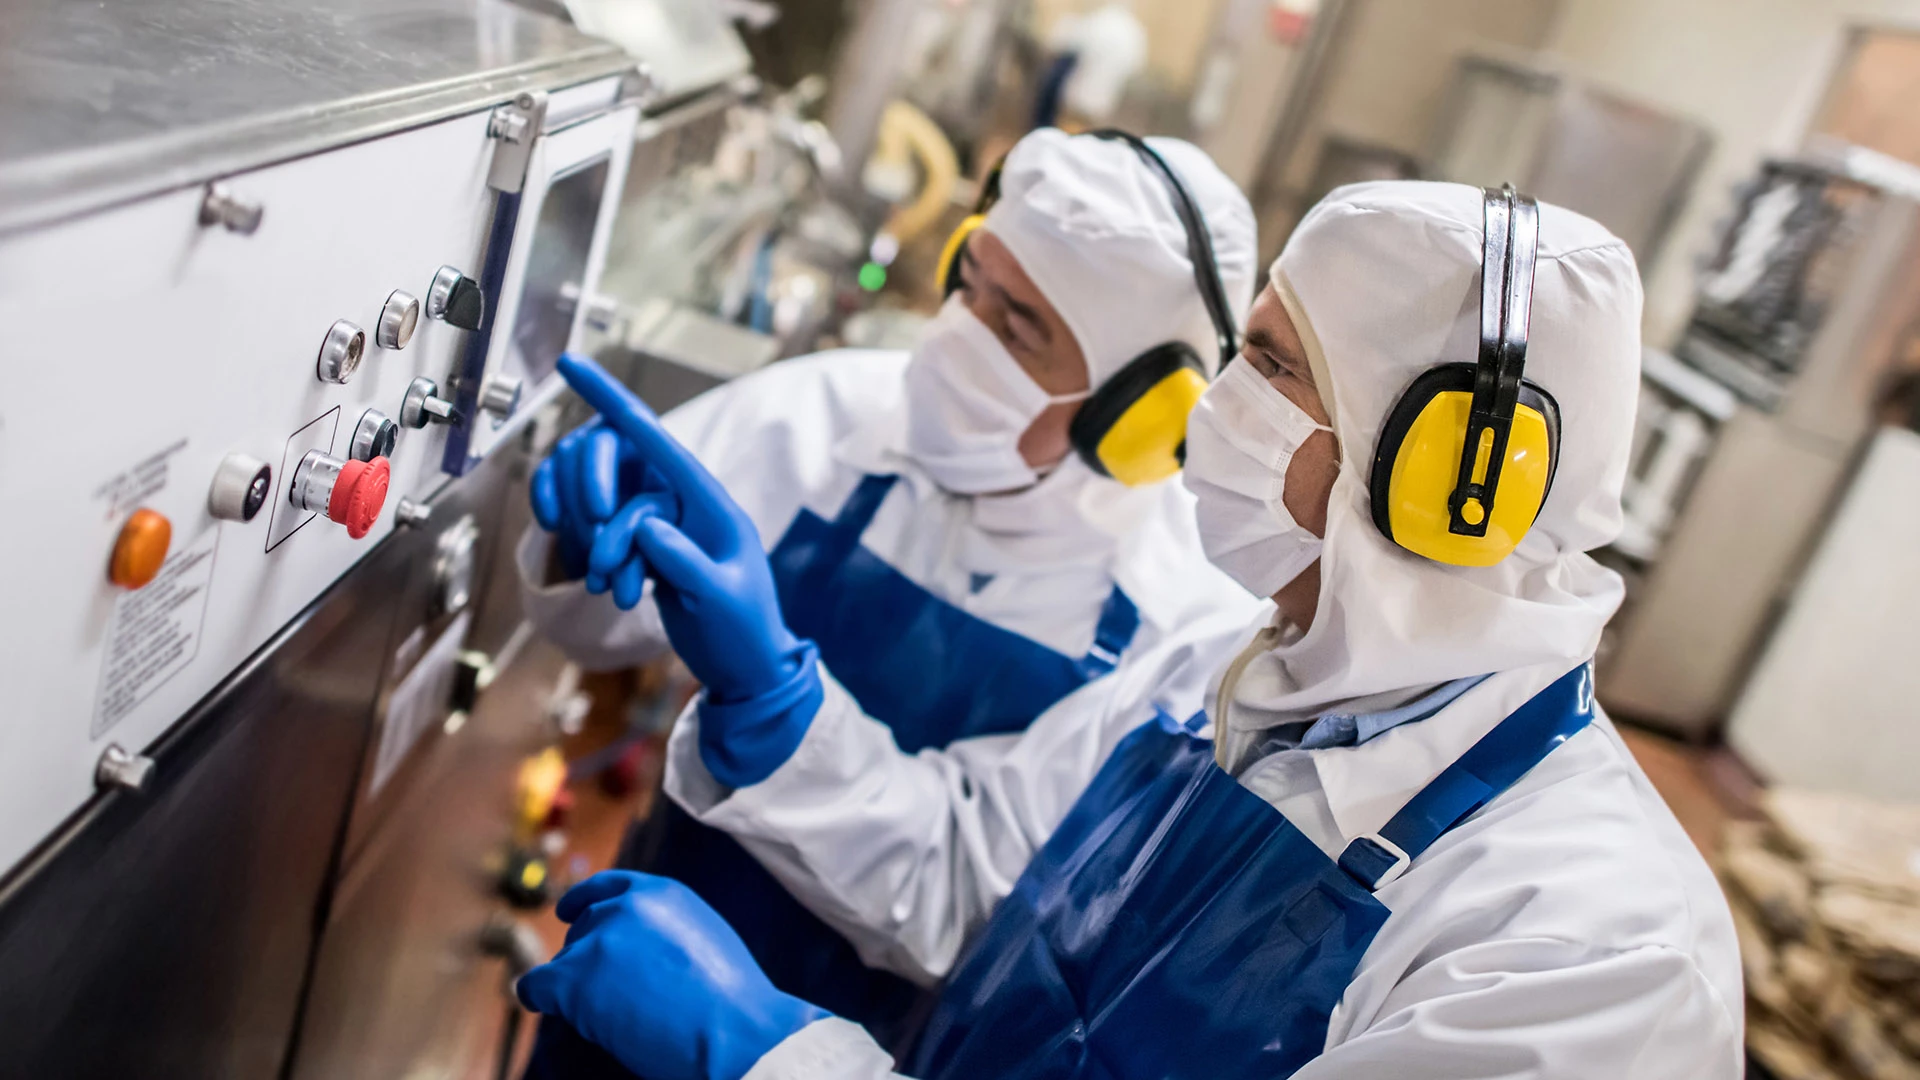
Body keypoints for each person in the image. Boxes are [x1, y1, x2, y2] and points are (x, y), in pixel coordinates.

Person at [517, 182, 1745, 1079]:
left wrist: (770, 1058)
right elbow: (963, 876)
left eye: (1272, 365)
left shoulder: (1592, 955)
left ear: (1447, 477)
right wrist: (770, 701)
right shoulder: (1221, 680)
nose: (1216, 407)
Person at [518, 128, 1262, 1048]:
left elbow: (973, 911)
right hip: (623, 979)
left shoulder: (1181, 632)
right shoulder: (830, 412)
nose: (956, 335)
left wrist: (776, 707)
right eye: (969, 282)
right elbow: (594, 631)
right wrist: (575, 539)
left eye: (1018, 326)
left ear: (1140, 418)